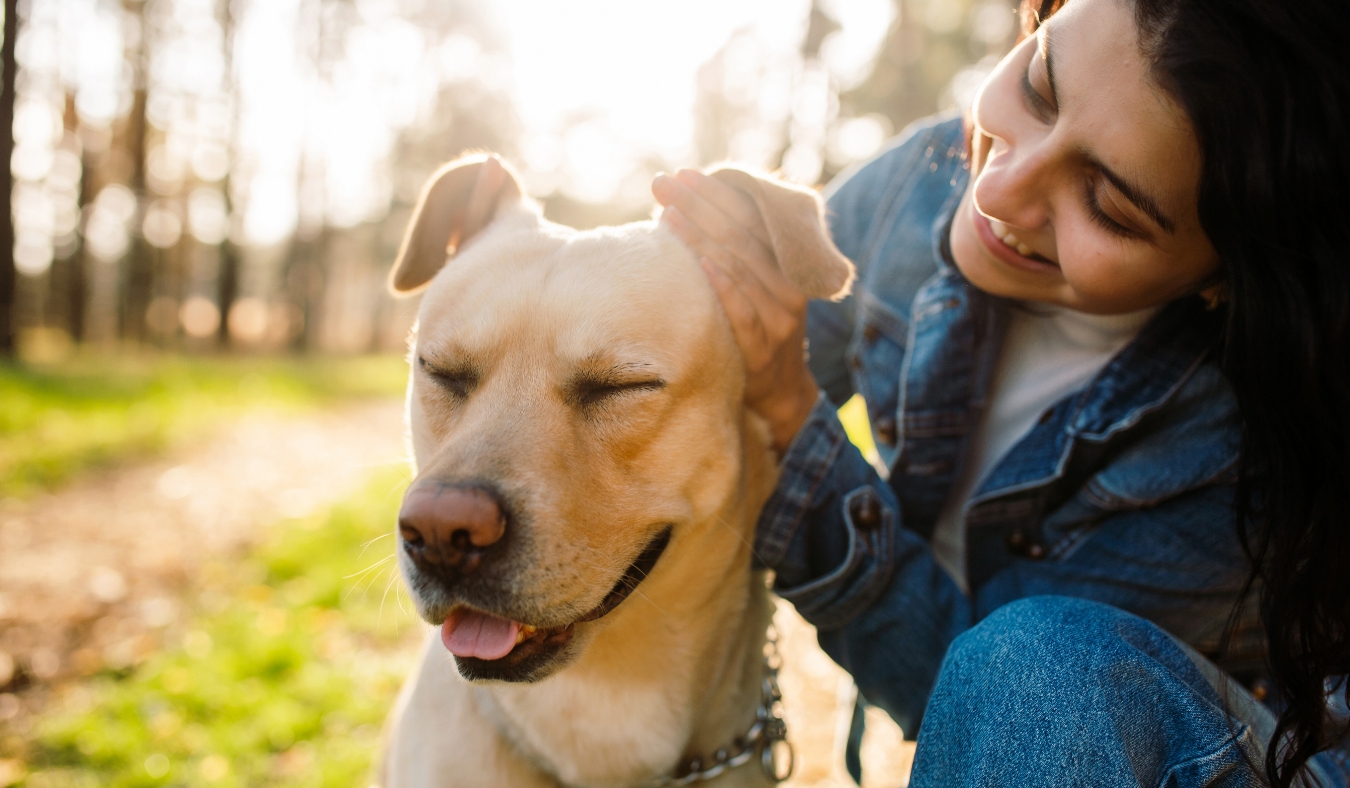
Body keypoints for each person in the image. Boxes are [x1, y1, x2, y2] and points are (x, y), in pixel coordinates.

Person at [651, 0, 1349, 784]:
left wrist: (787, 414)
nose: (995, 191)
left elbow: (995, 709)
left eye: (1109, 207)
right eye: (1041, 86)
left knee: (1031, 667)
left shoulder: (1242, 449)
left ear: (1230, 279)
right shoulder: (919, 183)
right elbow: (711, 370)